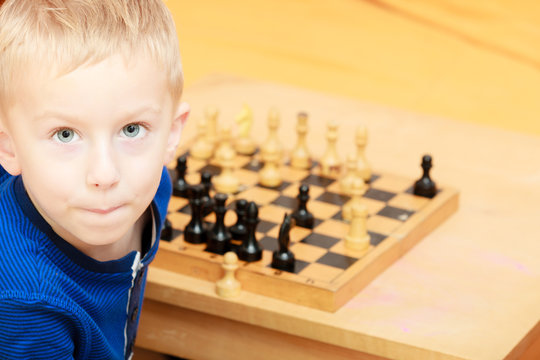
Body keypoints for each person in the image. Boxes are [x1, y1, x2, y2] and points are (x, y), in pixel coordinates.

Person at [0, 1, 190, 358]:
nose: (105, 175)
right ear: (8, 148)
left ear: (171, 135)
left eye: (131, 129)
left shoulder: (151, 187)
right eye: (65, 134)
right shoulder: (25, 305)